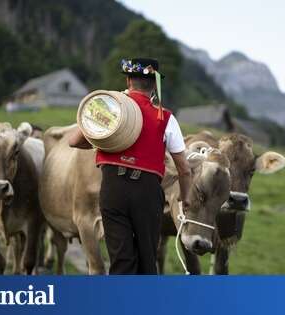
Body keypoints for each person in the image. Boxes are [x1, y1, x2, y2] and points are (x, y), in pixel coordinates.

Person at [68, 58, 193, 274]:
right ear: (154, 85)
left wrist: (109, 117)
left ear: (128, 81)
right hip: (147, 193)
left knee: (121, 259)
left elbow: (74, 141)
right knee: (147, 258)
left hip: (112, 189)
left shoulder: (111, 110)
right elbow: (184, 168)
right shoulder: (166, 117)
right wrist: (186, 198)